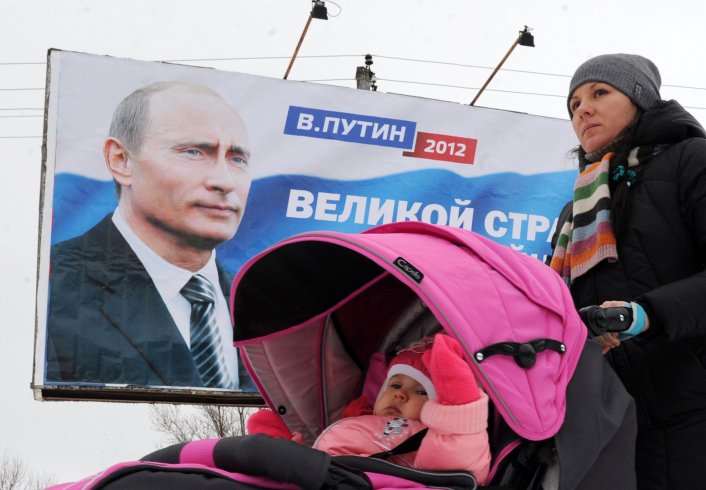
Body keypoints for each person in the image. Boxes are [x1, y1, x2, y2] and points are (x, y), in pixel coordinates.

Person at [547, 53, 706, 489]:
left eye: (600, 92)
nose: (583, 109)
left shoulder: (690, 161)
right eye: (574, 103)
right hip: (603, 427)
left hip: (698, 418)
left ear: (640, 101)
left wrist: (645, 313)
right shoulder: (574, 209)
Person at [45, 81, 254, 390]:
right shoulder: (51, 287)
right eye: (194, 152)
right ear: (121, 160)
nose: (224, 181)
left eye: (237, 158)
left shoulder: (262, 305)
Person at [246, 334, 491, 483]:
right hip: (322, 473)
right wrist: (289, 449)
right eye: (395, 384)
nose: (400, 394)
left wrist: (459, 410)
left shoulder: (426, 436)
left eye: (421, 391)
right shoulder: (356, 419)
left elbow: (453, 463)